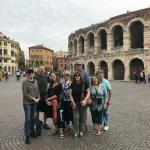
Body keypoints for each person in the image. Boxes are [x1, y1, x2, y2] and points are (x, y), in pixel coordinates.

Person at [70, 71, 90, 139]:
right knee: (76, 118)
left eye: (78, 75)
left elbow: (88, 92)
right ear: (74, 77)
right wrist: (73, 102)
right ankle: (76, 132)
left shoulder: (84, 83)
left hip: (83, 104)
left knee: (82, 118)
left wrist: (85, 100)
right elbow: (70, 94)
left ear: (80, 76)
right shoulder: (72, 84)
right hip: (75, 104)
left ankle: (81, 131)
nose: (77, 77)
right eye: (76, 76)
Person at [22, 68, 40, 144]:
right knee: (28, 119)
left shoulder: (35, 81)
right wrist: (33, 99)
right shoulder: (25, 82)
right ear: (27, 74)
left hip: (35, 103)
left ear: (33, 74)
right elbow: (25, 94)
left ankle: (32, 132)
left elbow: (38, 91)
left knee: (32, 118)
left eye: (32, 73)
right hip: (27, 103)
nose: (30, 74)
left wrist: (38, 97)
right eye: (29, 73)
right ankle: (27, 136)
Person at [46, 72, 63, 138]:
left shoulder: (59, 84)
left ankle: (61, 131)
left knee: (58, 117)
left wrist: (49, 98)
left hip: (56, 103)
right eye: (51, 76)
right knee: (53, 116)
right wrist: (47, 99)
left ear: (56, 76)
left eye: (53, 76)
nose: (52, 77)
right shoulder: (51, 84)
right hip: (50, 104)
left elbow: (57, 95)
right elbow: (47, 93)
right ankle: (56, 129)